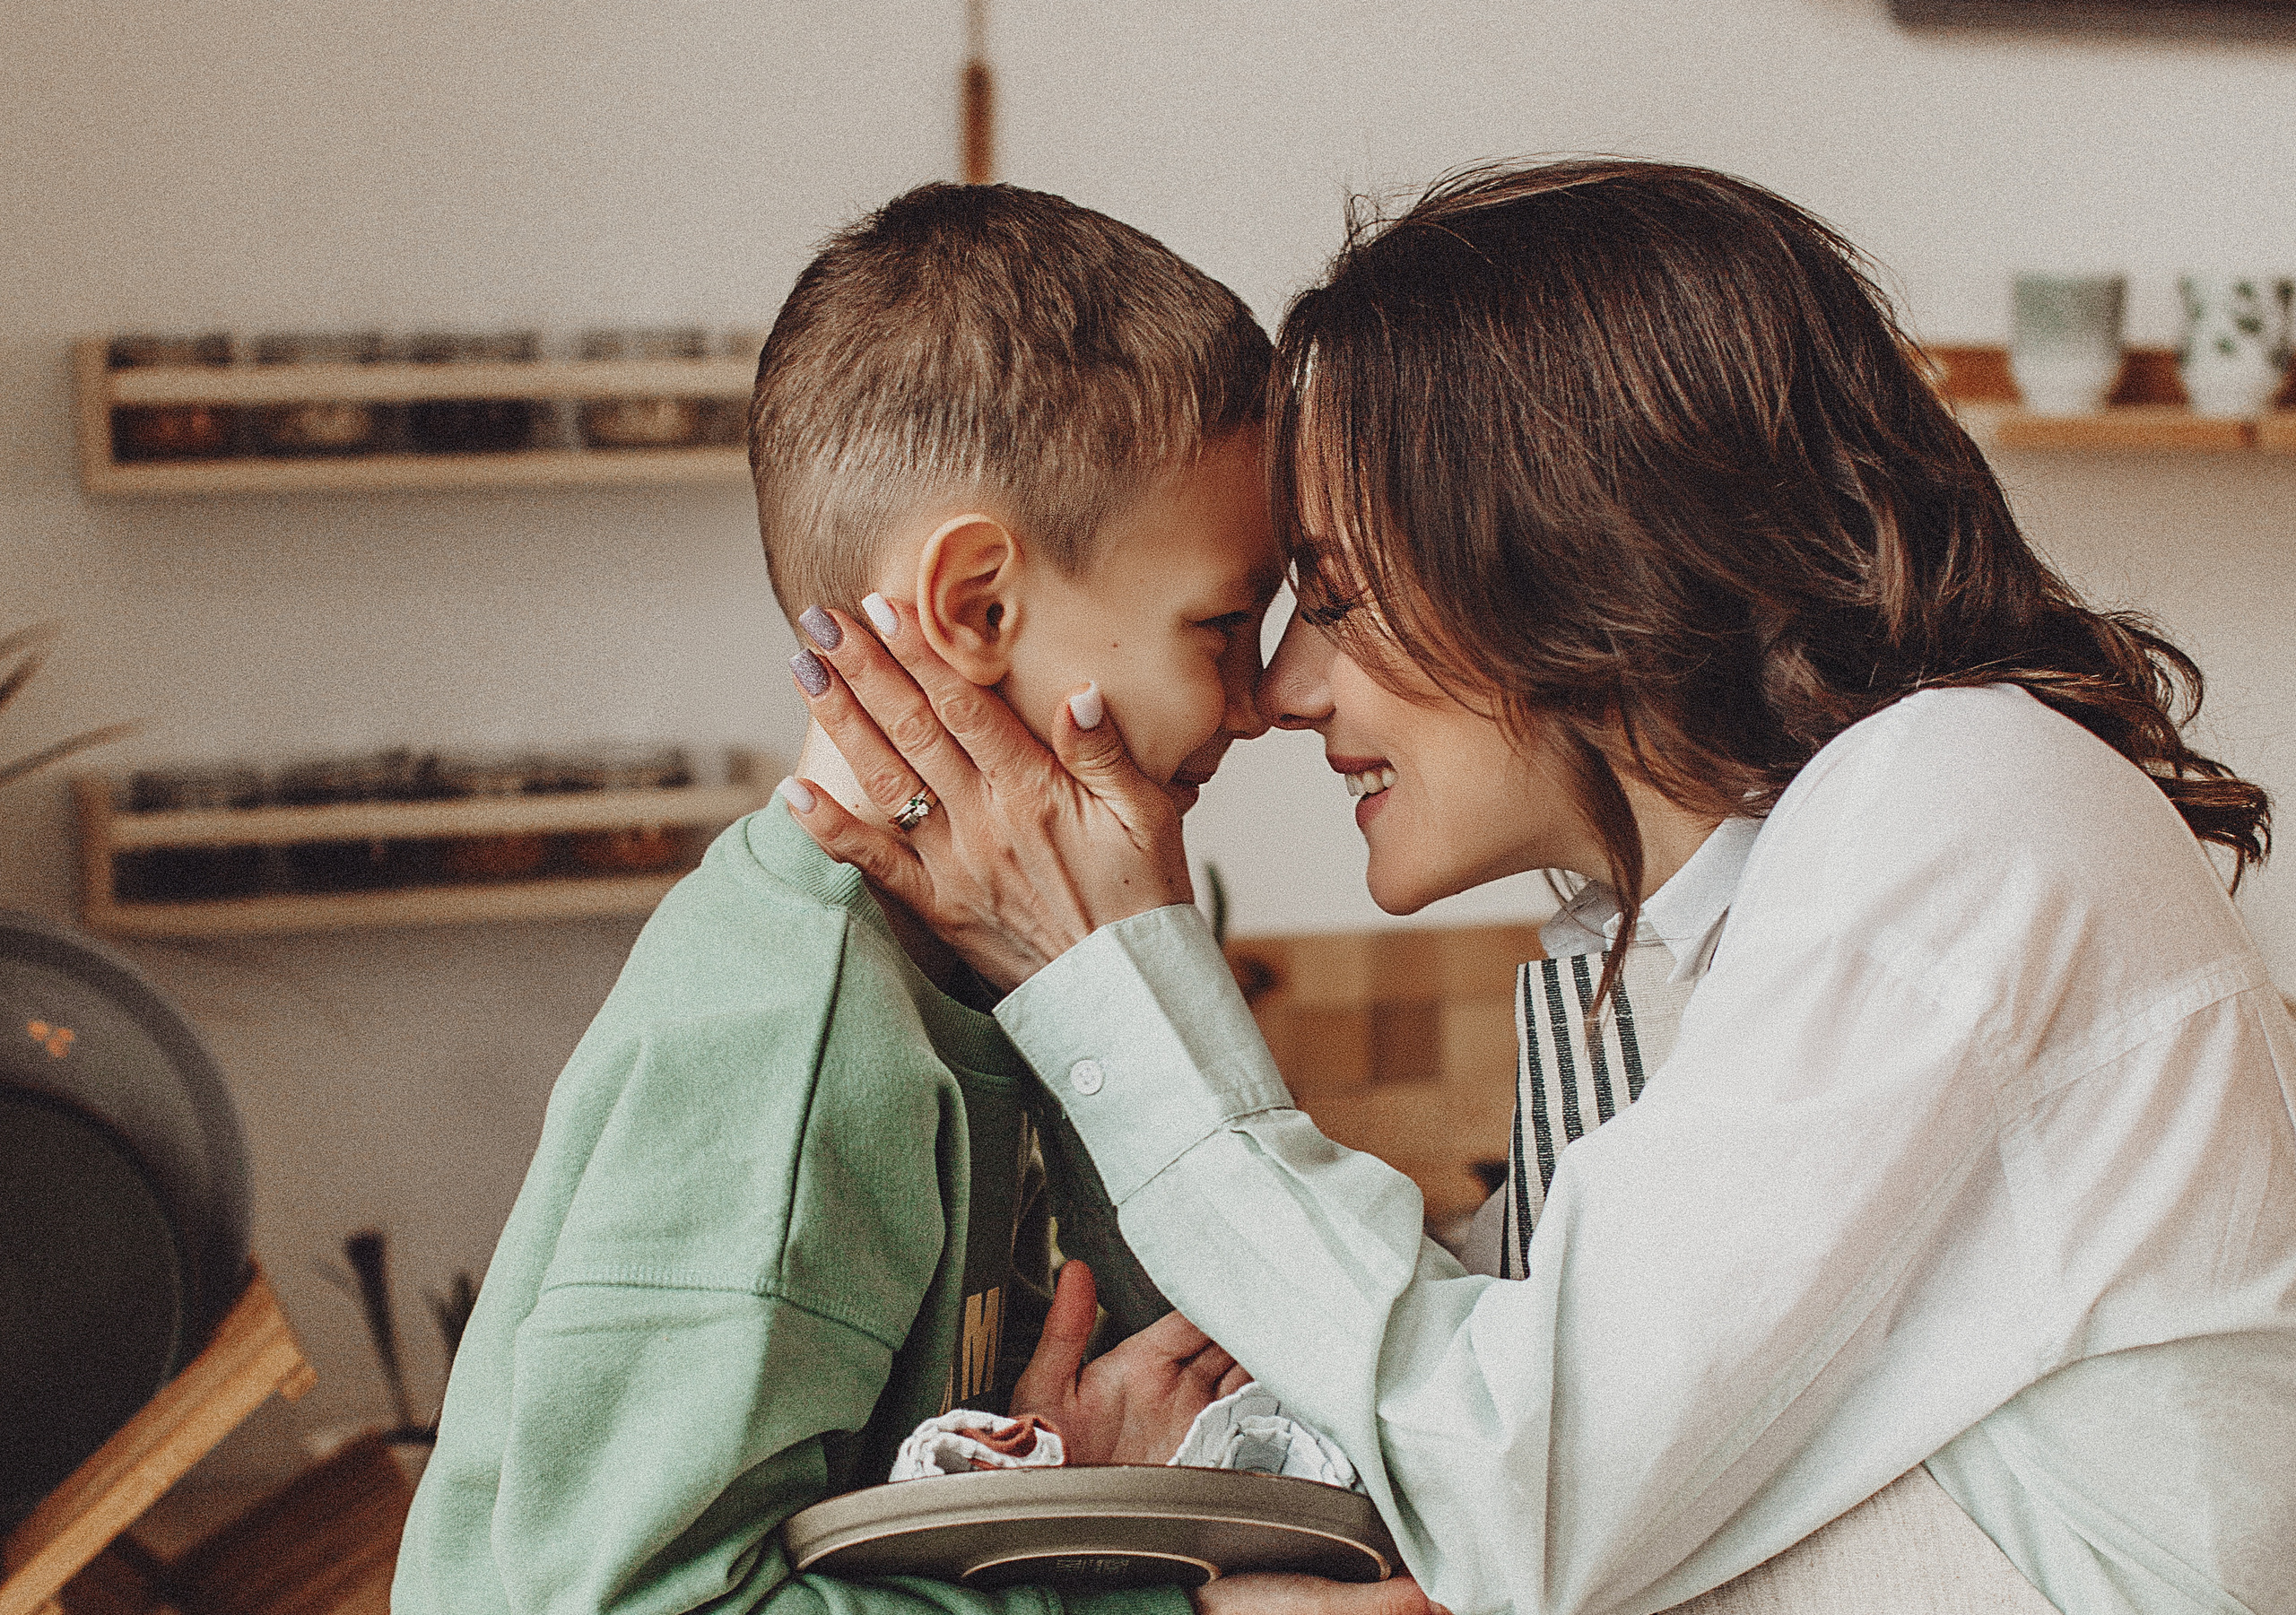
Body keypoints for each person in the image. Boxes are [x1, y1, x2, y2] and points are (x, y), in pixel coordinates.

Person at [781, 160, 2296, 1615]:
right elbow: (1499, 1425)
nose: (1284, 689)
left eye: (1339, 593)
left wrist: (1110, 968)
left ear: (1568, 549)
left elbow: (1513, 1485)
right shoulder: (1702, 927)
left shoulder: (1950, 810)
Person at [395, 183, 1428, 1615]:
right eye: (1219, 623)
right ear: (978, 607)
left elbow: (1210, 1354)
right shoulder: (795, 1039)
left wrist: (1127, 969)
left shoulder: (975, 981)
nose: (1258, 701)